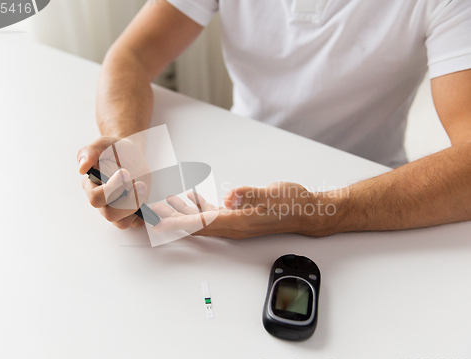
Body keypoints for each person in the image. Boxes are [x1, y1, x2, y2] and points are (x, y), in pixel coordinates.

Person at [77, 0, 471, 239]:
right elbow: (131, 55)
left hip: (371, 198)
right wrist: (124, 142)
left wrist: (321, 211)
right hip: (237, 178)